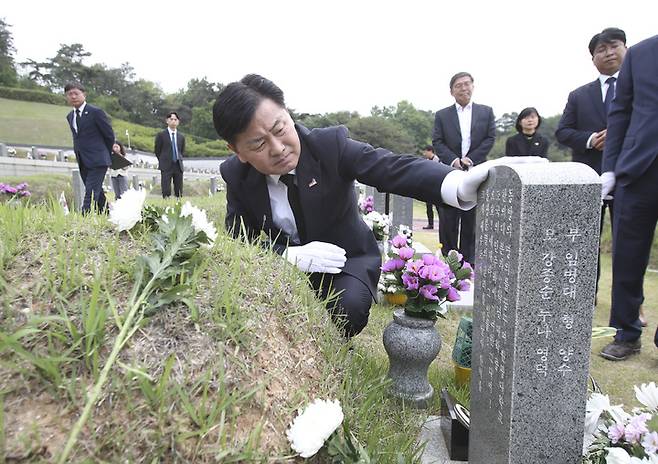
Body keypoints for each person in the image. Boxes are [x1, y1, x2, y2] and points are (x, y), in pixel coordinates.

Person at [213, 74, 541, 338]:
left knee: (347, 312)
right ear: (237, 150)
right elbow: (239, 237)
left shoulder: (328, 145)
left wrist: (456, 182)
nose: (277, 148)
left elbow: (390, 167)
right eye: (257, 143)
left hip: (346, 260)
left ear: (287, 114)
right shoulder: (236, 175)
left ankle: (331, 346)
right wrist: (286, 256)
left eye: (279, 129)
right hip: (284, 263)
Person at [556, 27, 627, 295]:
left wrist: (621, 136)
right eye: (601, 49)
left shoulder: (642, 91)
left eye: (614, 45)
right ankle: (586, 295)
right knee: (584, 240)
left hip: (629, 176)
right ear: (593, 58)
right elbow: (563, 131)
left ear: (626, 49)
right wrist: (589, 139)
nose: (609, 53)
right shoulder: (579, 95)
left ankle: (631, 302)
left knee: (628, 243)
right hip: (589, 176)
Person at [600, 34, 658, 360]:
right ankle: (626, 332)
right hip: (638, 169)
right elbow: (620, 111)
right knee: (627, 258)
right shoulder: (641, 52)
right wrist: (610, 167)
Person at [432, 72, 495, 263]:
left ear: (473, 86)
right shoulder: (442, 115)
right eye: (458, 85)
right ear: (451, 91)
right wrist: (454, 161)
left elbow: (489, 138)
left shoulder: (486, 111)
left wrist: (470, 159)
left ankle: (468, 263)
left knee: (471, 219)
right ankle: (448, 263)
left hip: (476, 171)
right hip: (450, 172)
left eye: (467, 84)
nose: (463, 88)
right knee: (448, 217)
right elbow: (438, 141)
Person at [64, 82, 115, 213]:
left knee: (90, 191)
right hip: (83, 160)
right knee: (95, 190)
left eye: (76, 93)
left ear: (84, 95)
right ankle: (108, 213)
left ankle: (84, 216)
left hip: (98, 159)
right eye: (70, 94)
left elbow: (109, 135)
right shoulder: (70, 116)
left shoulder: (96, 112)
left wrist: (103, 153)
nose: (73, 96)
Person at [154, 111, 185, 198]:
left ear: (178, 122)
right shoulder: (161, 135)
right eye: (171, 119)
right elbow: (157, 150)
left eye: (175, 119)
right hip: (166, 165)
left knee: (179, 189)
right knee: (166, 189)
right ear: (167, 121)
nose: (173, 121)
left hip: (178, 165)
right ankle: (166, 204)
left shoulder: (181, 137)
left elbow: (182, 151)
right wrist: (163, 159)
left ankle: (178, 203)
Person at [421, 145, 440, 229]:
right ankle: (430, 224)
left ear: (430, 151)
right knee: (428, 207)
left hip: (437, 186)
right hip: (428, 187)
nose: (424, 153)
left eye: (425, 151)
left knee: (439, 207)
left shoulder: (438, 160)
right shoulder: (426, 161)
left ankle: (443, 224)